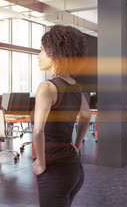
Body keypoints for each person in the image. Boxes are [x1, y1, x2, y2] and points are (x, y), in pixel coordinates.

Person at [32, 25, 91, 207]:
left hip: (54, 171)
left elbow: (38, 131)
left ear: (55, 53)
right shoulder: (75, 85)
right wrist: (77, 146)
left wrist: (41, 163)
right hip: (74, 170)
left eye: (42, 50)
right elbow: (86, 116)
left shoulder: (47, 87)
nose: (38, 55)